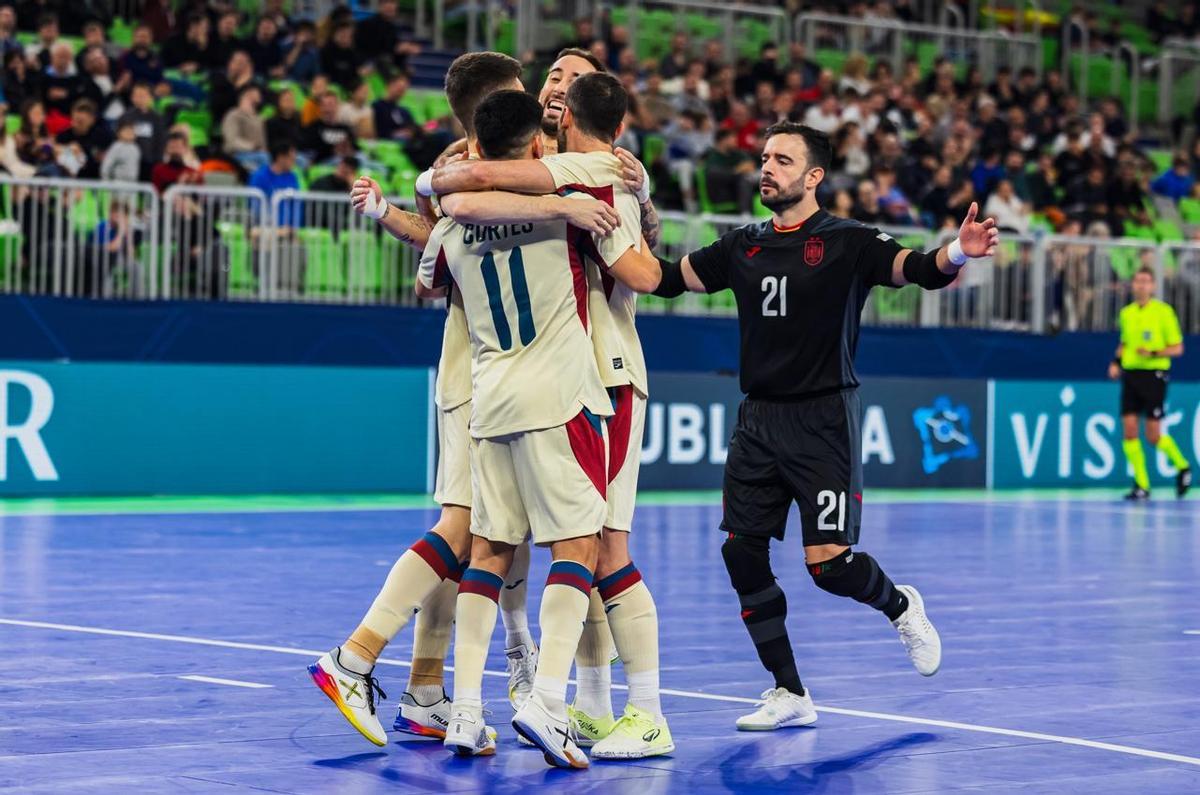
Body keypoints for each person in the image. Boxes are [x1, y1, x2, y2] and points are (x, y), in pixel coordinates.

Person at [651, 122, 1000, 730]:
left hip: (823, 421)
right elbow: (661, 279)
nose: (767, 167)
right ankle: (789, 692)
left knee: (829, 566)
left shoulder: (849, 241)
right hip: (758, 419)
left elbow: (920, 268)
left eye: (782, 160)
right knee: (741, 553)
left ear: (813, 176)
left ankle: (900, 605)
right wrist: (591, 241)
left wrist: (961, 250)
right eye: (763, 157)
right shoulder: (741, 245)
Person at [422, 71, 672, 761]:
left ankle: (467, 708)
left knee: (491, 551)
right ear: (535, 137)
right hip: (563, 392)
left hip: (488, 396)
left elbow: (434, 260)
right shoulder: (578, 191)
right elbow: (646, 274)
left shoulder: (458, 209)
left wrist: (426, 187)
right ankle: (551, 699)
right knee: (582, 546)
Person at [306, 51, 530, 748]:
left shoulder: (472, 168)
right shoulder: (470, 168)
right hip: (479, 365)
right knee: (463, 530)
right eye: (522, 94)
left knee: (468, 538)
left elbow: (433, 245)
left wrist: (388, 213)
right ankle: (354, 655)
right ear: (496, 104)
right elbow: (435, 262)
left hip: (491, 366)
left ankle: (427, 689)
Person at [1108, 267, 1192, 500]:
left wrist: (1153, 352)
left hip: (1154, 375)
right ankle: (1142, 485)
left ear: (1153, 286)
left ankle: (1182, 466)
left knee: (1153, 435)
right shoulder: (1127, 313)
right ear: (1132, 285)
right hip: (1131, 375)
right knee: (1129, 429)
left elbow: (1178, 348)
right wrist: (1116, 362)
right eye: (1137, 281)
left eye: (1146, 281)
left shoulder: (1164, 312)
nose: (1141, 285)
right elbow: (1124, 342)